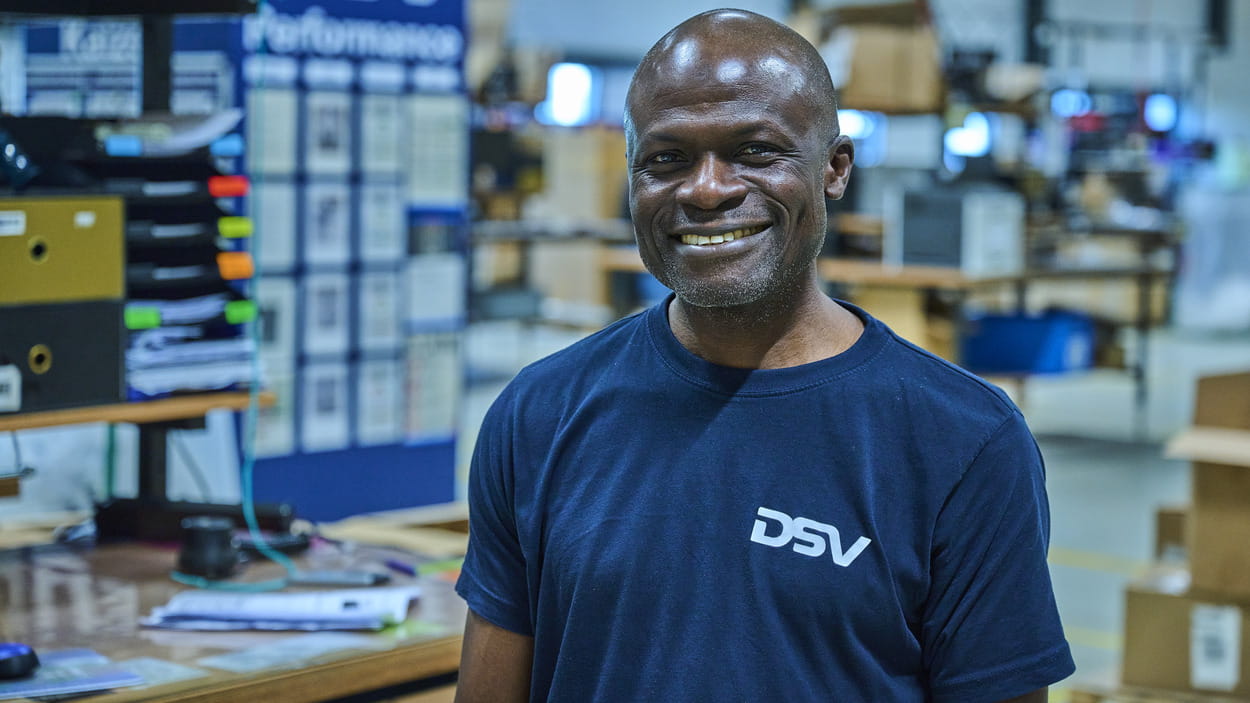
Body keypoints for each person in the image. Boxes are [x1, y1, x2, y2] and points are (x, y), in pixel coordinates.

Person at [454, 9, 1075, 702]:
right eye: (667, 159)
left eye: (755, 151)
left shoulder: (963, 441)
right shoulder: (540, 412)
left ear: (834, 169)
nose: (707, 189)